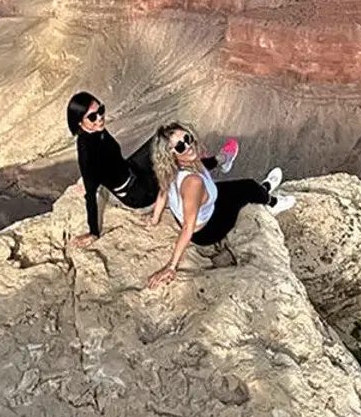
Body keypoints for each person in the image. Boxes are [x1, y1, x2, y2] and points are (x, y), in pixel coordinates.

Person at [66, 91, 238, 248]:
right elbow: (90, 195)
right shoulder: (87, 153)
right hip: (136, 192)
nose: (100, 118)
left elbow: (111, 160)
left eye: (101, 110)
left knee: (163, 139)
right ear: (80, 123)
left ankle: (201, 159)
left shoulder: (97, 130)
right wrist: (93, 233)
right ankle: (220, 160)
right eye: (93, 116)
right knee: (170, 160)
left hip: (131, 168)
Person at [145, 122, 294, 289]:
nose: (188, 146)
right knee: (248, 187)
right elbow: (188, 227)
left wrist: (154, 219)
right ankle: (271, 202)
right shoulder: (192, 183)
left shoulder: (171, 168)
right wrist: (171, 267)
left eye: (187, 138)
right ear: (171, 153)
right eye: (180, 146)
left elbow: (163, 192)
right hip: (209, 229)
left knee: (208, 170)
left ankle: (223, 160)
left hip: (203, 205)